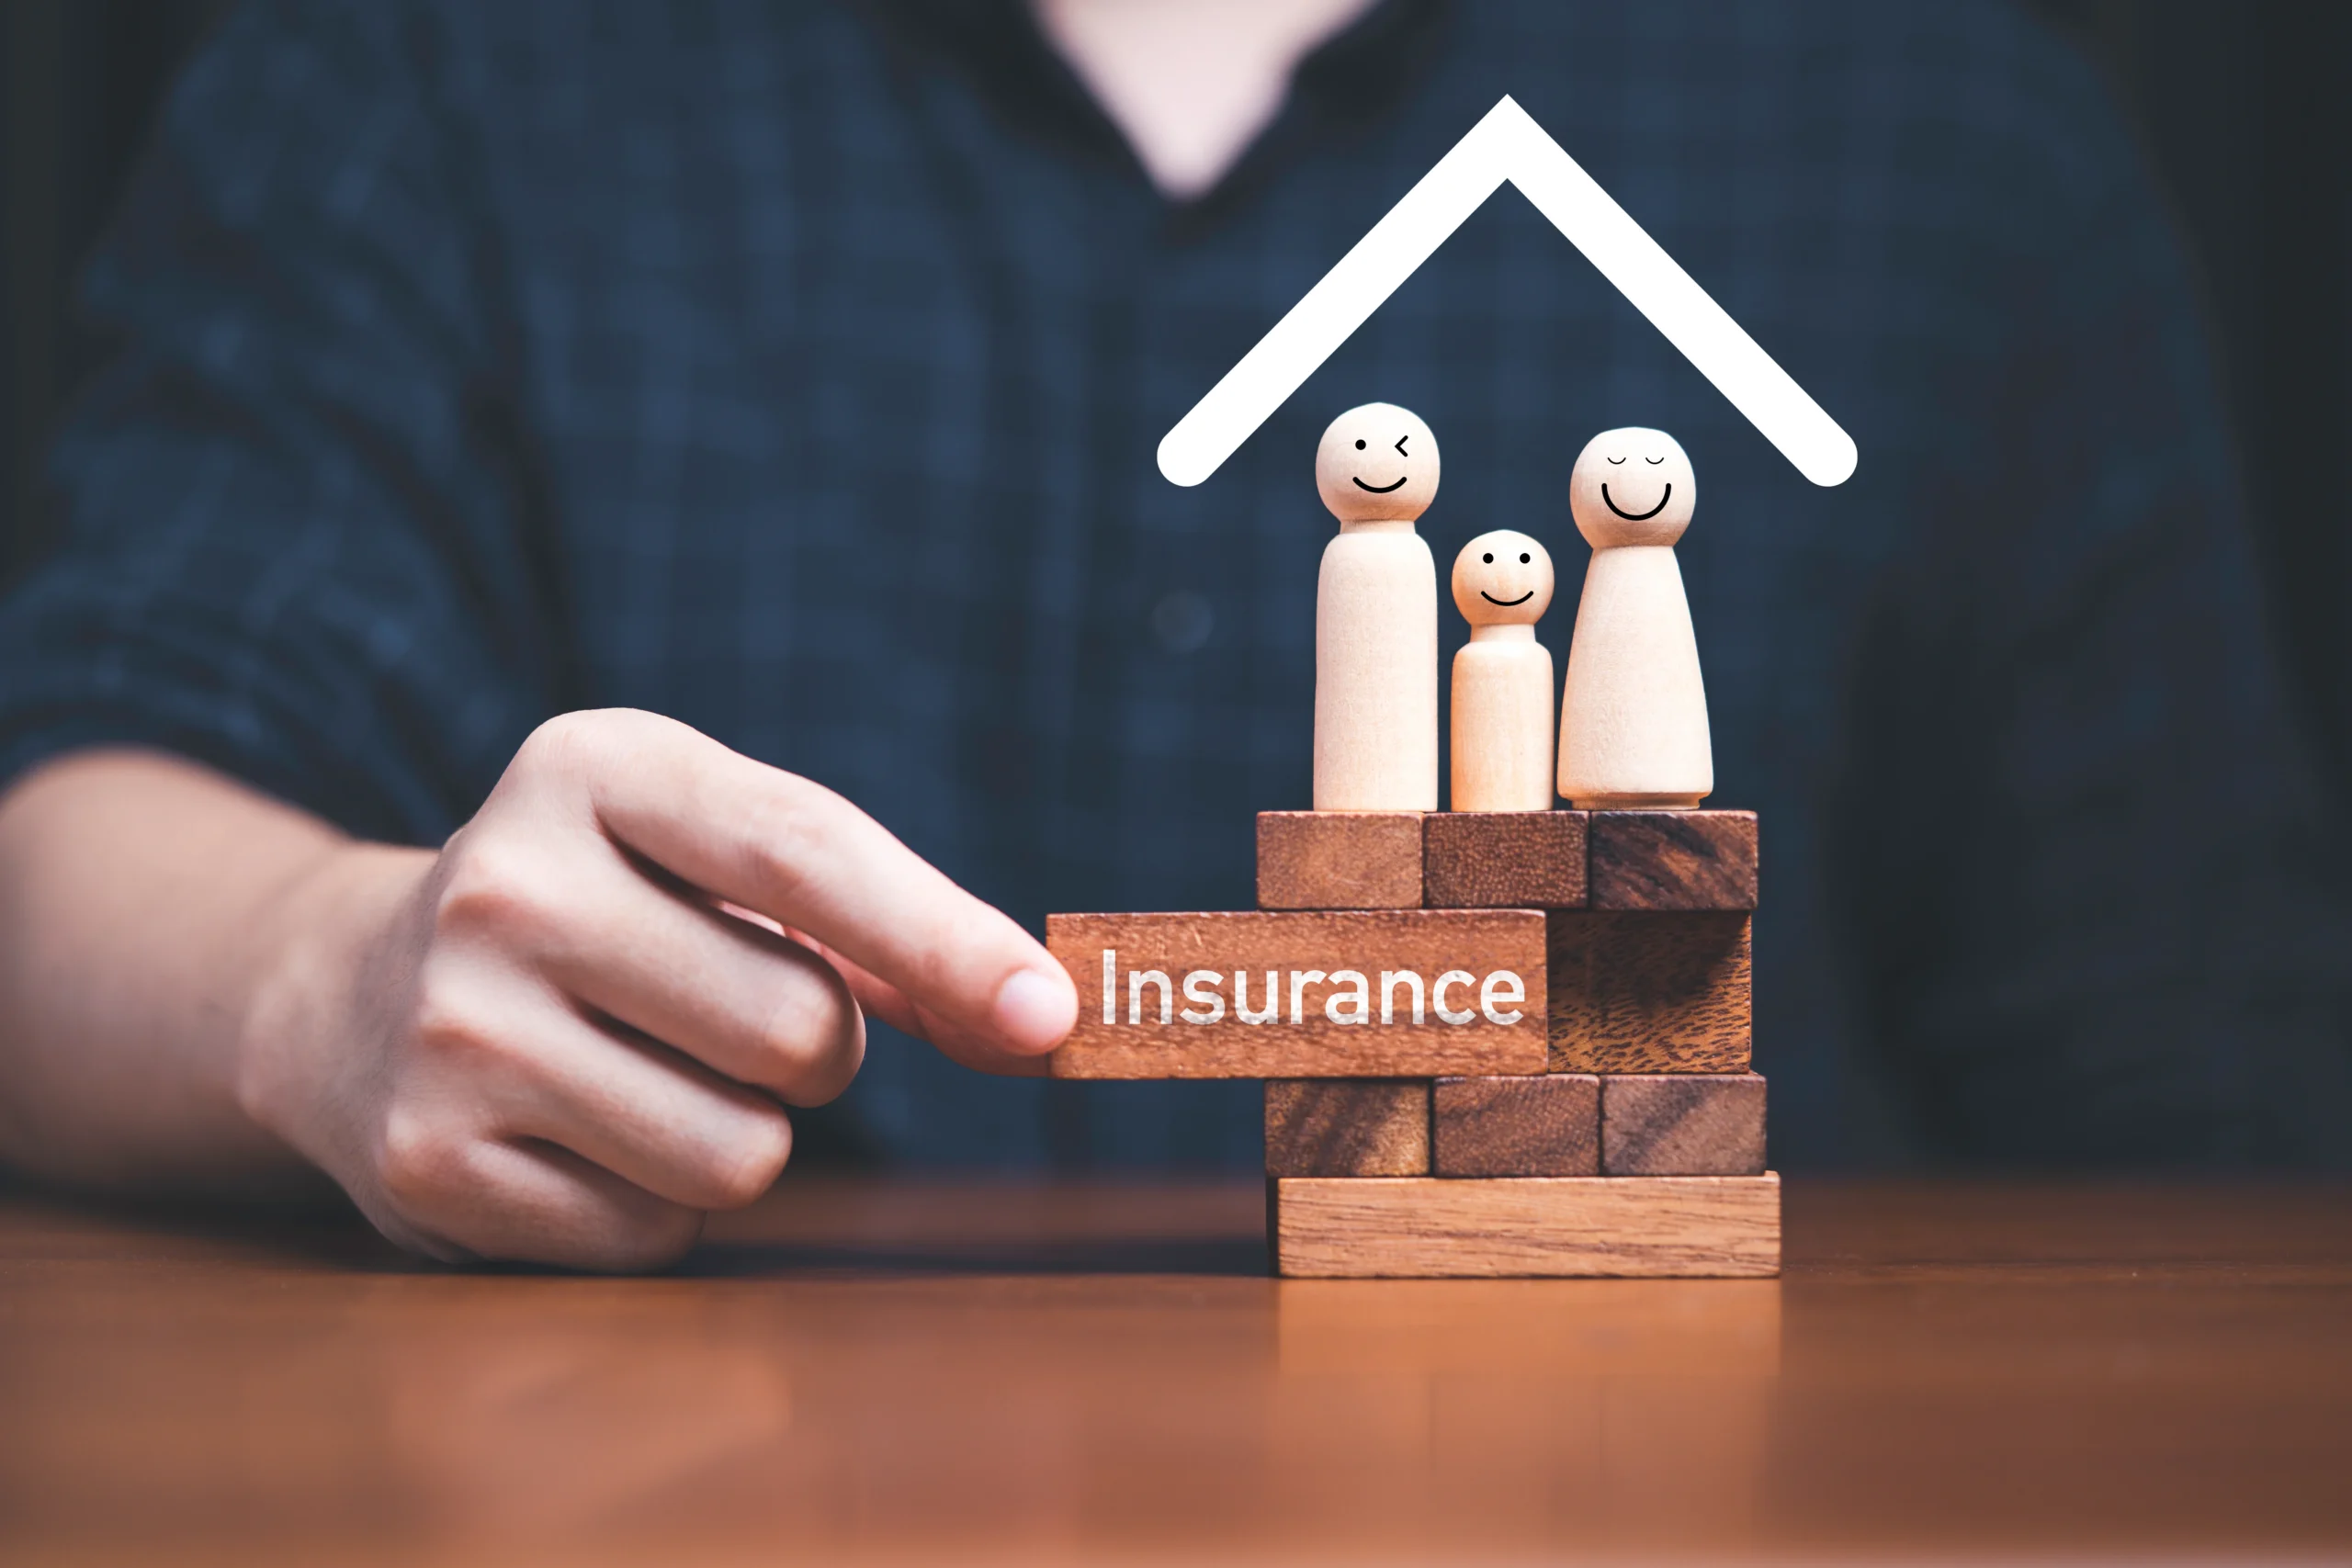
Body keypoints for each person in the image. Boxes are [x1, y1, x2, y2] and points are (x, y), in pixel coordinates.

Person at [1, 0, 2344, 1269]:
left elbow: (2207, 1104)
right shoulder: (433, 62)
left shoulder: (1942, 122)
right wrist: (321, 971)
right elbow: (71, 819)